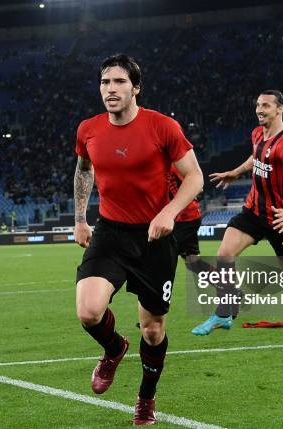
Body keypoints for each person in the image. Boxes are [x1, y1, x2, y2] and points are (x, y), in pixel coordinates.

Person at [74, 54, 203, 426]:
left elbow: (194, 178)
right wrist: (81, 219)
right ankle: (114, 348)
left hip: (155, 236)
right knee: (88, 311)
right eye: (104, 83)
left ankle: (146, 398)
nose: (110, 89)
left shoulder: (163, 127)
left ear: (135, 88)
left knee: (153, 329)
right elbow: (83, 171)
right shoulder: (89, 129)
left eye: (118, 82)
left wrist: (169, 212)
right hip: (110, 232)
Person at [192, 90, 283, 335]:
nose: (259, 109)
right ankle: (224, 313)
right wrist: (236, 172)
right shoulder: (257, 133)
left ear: (280, 109)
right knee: (225, 253)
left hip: (281, 220)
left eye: (266, 105)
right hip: (254, 212)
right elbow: (255, 157)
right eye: (258, 105)